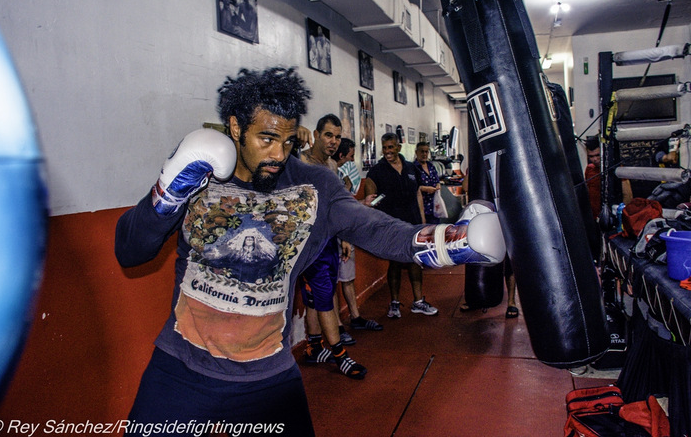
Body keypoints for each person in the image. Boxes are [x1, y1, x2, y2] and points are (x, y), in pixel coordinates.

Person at [115, 66, 505, 435]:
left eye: (286, 141)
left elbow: (373, 228)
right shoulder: (198, 175)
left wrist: (449, 242)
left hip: (267, 376)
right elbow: (130, 251)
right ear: (235, 127)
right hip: (180, 368)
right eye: (265, 139)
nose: (278, 155)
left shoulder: (313, 185)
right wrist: (168, 195)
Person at [298, 114, 367, 379]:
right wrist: (294, 132)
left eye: (337, 137)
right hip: (307, 244)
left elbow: (335, 206)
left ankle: (315, 347)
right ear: (315, 134)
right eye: (328, 135)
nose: (333, 141)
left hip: (328, 240)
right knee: (324, 296)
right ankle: (340, 355)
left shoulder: (332, 167)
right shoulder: (299, 161)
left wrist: (345, 237)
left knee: (315, 298)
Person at [364, 133, 439, 319]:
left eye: (391, 147)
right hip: (392, 226)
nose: (388, 151)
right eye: (385, 148)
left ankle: (418, 301)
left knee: (415, 260)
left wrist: (422, 222)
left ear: (398, 147)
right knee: (395, 263)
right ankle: (395, 303)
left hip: (413, 223)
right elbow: (371, 200)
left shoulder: (411, 168)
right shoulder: (376, 171)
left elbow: (418, 194)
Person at [331, 138, 383, 337]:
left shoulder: (341, 174)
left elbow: (346, 205)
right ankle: (337, 326)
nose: (352, 160)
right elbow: (334, 209)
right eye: (351, 155)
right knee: (332, 281)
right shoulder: (328, 174)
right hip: (332, 232)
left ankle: (356, 317)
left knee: (347, 277)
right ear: (341, 155)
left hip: (345, 230)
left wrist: (362, 202)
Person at [414, 141, 441, 224]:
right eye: (422, 151)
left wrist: (438, 185)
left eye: (426, 151)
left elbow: (437, 181)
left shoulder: (431, 166)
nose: (424, 154)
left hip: (434, 207)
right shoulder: (413, 168)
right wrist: (425, 189)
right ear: (416, 152)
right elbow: (413, 187)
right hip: (422, 209)